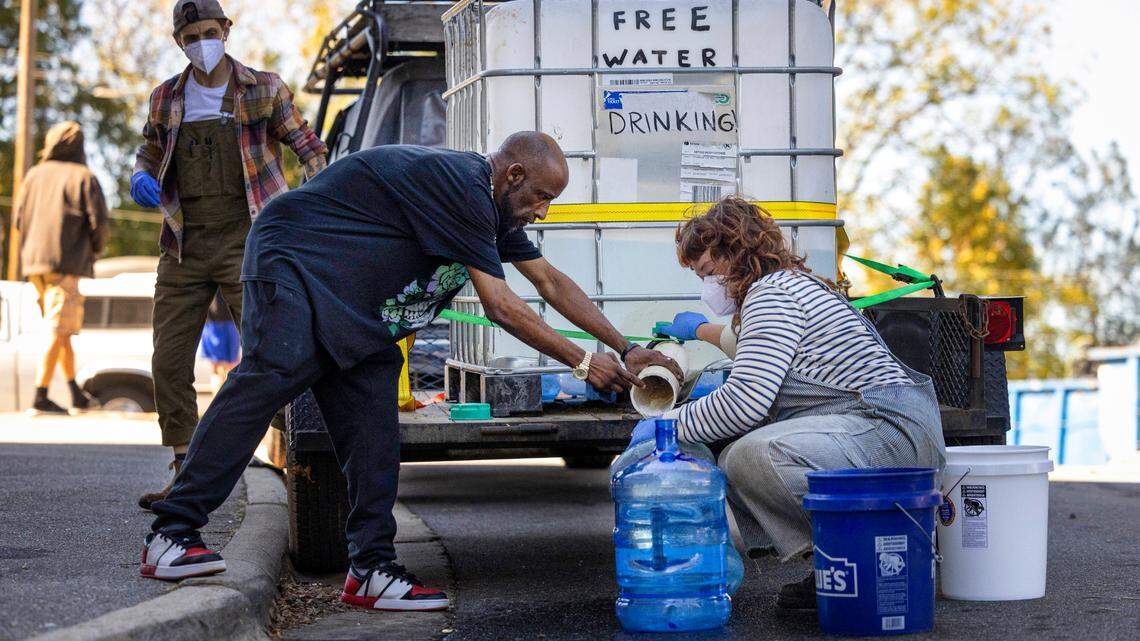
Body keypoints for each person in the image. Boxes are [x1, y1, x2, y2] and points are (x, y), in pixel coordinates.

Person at [139, 132, 683, 612]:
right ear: (513, 174)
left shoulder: (496, 210)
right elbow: (500, 304)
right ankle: (173, 533)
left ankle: (371, 570)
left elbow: (550, 282)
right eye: (541, 196)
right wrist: (584, 362)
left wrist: (624, 347)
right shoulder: (465, 187)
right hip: (295, 261)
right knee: (270, 377)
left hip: (357, 305)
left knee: (374, 428)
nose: (542, 210)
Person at [636, 196, 945, 613]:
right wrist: (697, 330)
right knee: (740, 452)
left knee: (752, 456)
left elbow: (745, 402)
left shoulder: (772, 295)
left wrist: (666, 425)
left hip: (886, 432)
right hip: (885, 429)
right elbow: (742, 343)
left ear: (736, 251)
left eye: (708, 272)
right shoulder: (788, 286)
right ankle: (838, 567)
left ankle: (866, 558)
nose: (706, 286)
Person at [131, 0, 327, 510]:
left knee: (274, 353)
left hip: (250, 242)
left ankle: (302, 463)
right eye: (192, 35)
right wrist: (140, 175)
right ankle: (184, 470)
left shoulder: (263, 88)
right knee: (168, 360)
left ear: (227, 30)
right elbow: (149, 150)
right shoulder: (165, 98)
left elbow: (310, 149)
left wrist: (312, 203)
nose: (202, 43)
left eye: (210, 32)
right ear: (180, 42)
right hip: (184, 243)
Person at [15, 121, 109, 414]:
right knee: (58, 329)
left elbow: (19, 219)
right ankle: (40, 396)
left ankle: (75, 395)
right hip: (66, 264)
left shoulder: (33, 176)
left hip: (34, 265)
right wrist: (93, 250)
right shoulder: (84, 177)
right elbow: (100, 224)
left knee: (63, 329)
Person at [198, 292, 240, 390]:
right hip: (218, 321)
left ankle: (223, 399)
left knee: (227, 366)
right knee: (222, 366)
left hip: (225, 320)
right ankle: (223, 399)